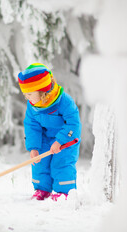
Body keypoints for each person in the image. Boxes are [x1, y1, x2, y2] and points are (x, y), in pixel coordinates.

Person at [18, 63, 81, 201]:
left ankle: (64, 192)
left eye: (29, 94)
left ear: (42, 91)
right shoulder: (33, 106)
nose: (27, 98)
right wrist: (34, 147)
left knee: (61, 163)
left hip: (66, 140)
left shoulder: (64, 102)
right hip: (45, 138)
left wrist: (60, 141)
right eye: (25, 94)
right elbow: (31, 125)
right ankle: (42, 189)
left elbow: (73, 124)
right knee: (39, 161)